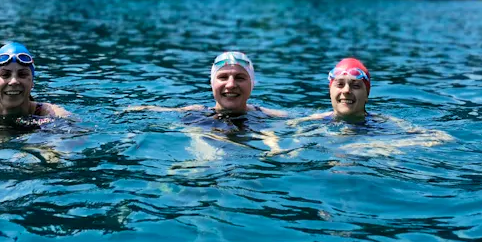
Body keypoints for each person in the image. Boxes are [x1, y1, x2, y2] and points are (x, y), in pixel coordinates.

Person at [291, 57, 452, 153]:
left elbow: (442, 138)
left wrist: (375, 146)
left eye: (355, 86)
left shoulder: (383, 124)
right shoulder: (312, 120)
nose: (346, 91)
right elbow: (272, 119)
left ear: (367, 95)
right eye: (340, 85)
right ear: (330, 92)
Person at [128, 51, 287, 118]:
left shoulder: (267, 115)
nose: (230, 85)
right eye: (223, 77)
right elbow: (163, 111)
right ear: (212, 84)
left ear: (251, 84)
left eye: (240, 78)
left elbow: (302, 119)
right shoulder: (197, 113)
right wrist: (137, 109)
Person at [0, 41, 71, 119]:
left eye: (22, 74)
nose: (14, 81)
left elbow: (75, 135)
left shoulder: (50, 113)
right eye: (5, 74)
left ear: (32, 82)